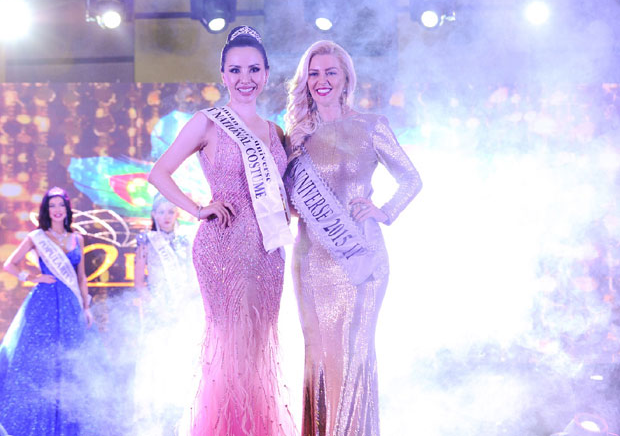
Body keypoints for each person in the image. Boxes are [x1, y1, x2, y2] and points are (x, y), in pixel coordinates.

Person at [148, 25, 296, 435]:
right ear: (223, 75)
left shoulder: (276, 132)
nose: (245, 78)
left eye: (254, 69)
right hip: (224, 245)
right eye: (235, 70)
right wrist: (199, 209)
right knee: (231, 346)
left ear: (267, 73)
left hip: (268, 251)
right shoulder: (207, 123)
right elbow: (158, 173)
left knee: (259, 345)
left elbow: (284, 194)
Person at [284, 40, 422, 435]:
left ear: (346, 78)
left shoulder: (371, 126)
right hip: (310, 258)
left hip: (359, 256)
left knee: (351, 354)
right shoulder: (297, 134)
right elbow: (287, 201)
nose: (321, 80)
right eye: (313, 73)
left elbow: (411, 179)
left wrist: (385, 211)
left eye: (330, 72)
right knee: (318, 355)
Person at [0, 187, 94, 436]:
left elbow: (81, 276)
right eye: (52, 206)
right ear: (46, 210)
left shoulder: (77, 238)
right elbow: (9, 264)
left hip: (71, 304)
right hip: (44, 303)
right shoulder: (37, 237)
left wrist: (86, 307)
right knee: (39, 361)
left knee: (71, 361)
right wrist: (32, 277)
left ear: (67, 209)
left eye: (61, 205)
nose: (57, 210)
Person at [132, 194, 201, 433]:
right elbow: (139, 284)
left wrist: (185, 302)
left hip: (182, 309)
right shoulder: (146, 241)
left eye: (170, 211)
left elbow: (193, 278)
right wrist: (156, 306)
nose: (166, 217)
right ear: (153, 215)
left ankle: (180, 414)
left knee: (181, 360)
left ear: (177, 214)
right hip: (157, 311)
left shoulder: (185, 240)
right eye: (161, 212)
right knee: (155, 362)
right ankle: (156, 417)